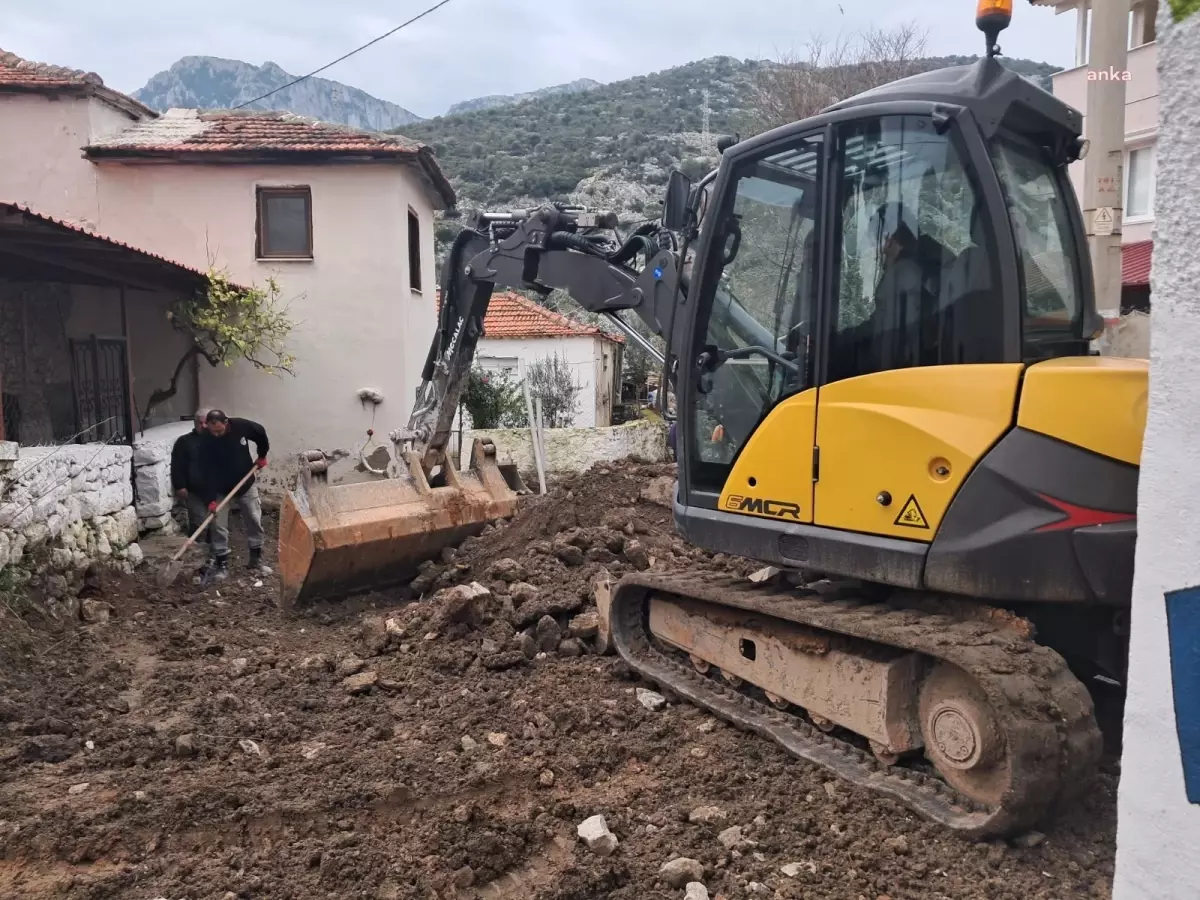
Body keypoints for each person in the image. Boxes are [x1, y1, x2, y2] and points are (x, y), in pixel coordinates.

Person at [197, 409, 270, 581]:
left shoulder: (241, 426)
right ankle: (222, 564)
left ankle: (256, 559)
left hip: (245, 484)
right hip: (221, 489)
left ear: (226, 422)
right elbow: (204, 472)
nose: (216, 434)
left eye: (220, 431)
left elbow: (260, 432)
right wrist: (210, 499)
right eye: (213, 431)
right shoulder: (206, 440)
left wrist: (262, 455)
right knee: (218, 525)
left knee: (254, 518)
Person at [170, 408, 210, 541]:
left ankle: (215, 554)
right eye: (200, 423)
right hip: (195, 492)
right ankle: (197, 552)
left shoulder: (218, 440)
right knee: (199, 524)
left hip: (216, 491)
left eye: (206, 422)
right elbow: (178, 465)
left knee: (216, 525)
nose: (203, 426)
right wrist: (180, 486)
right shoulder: (184, 442)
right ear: (195, 423)